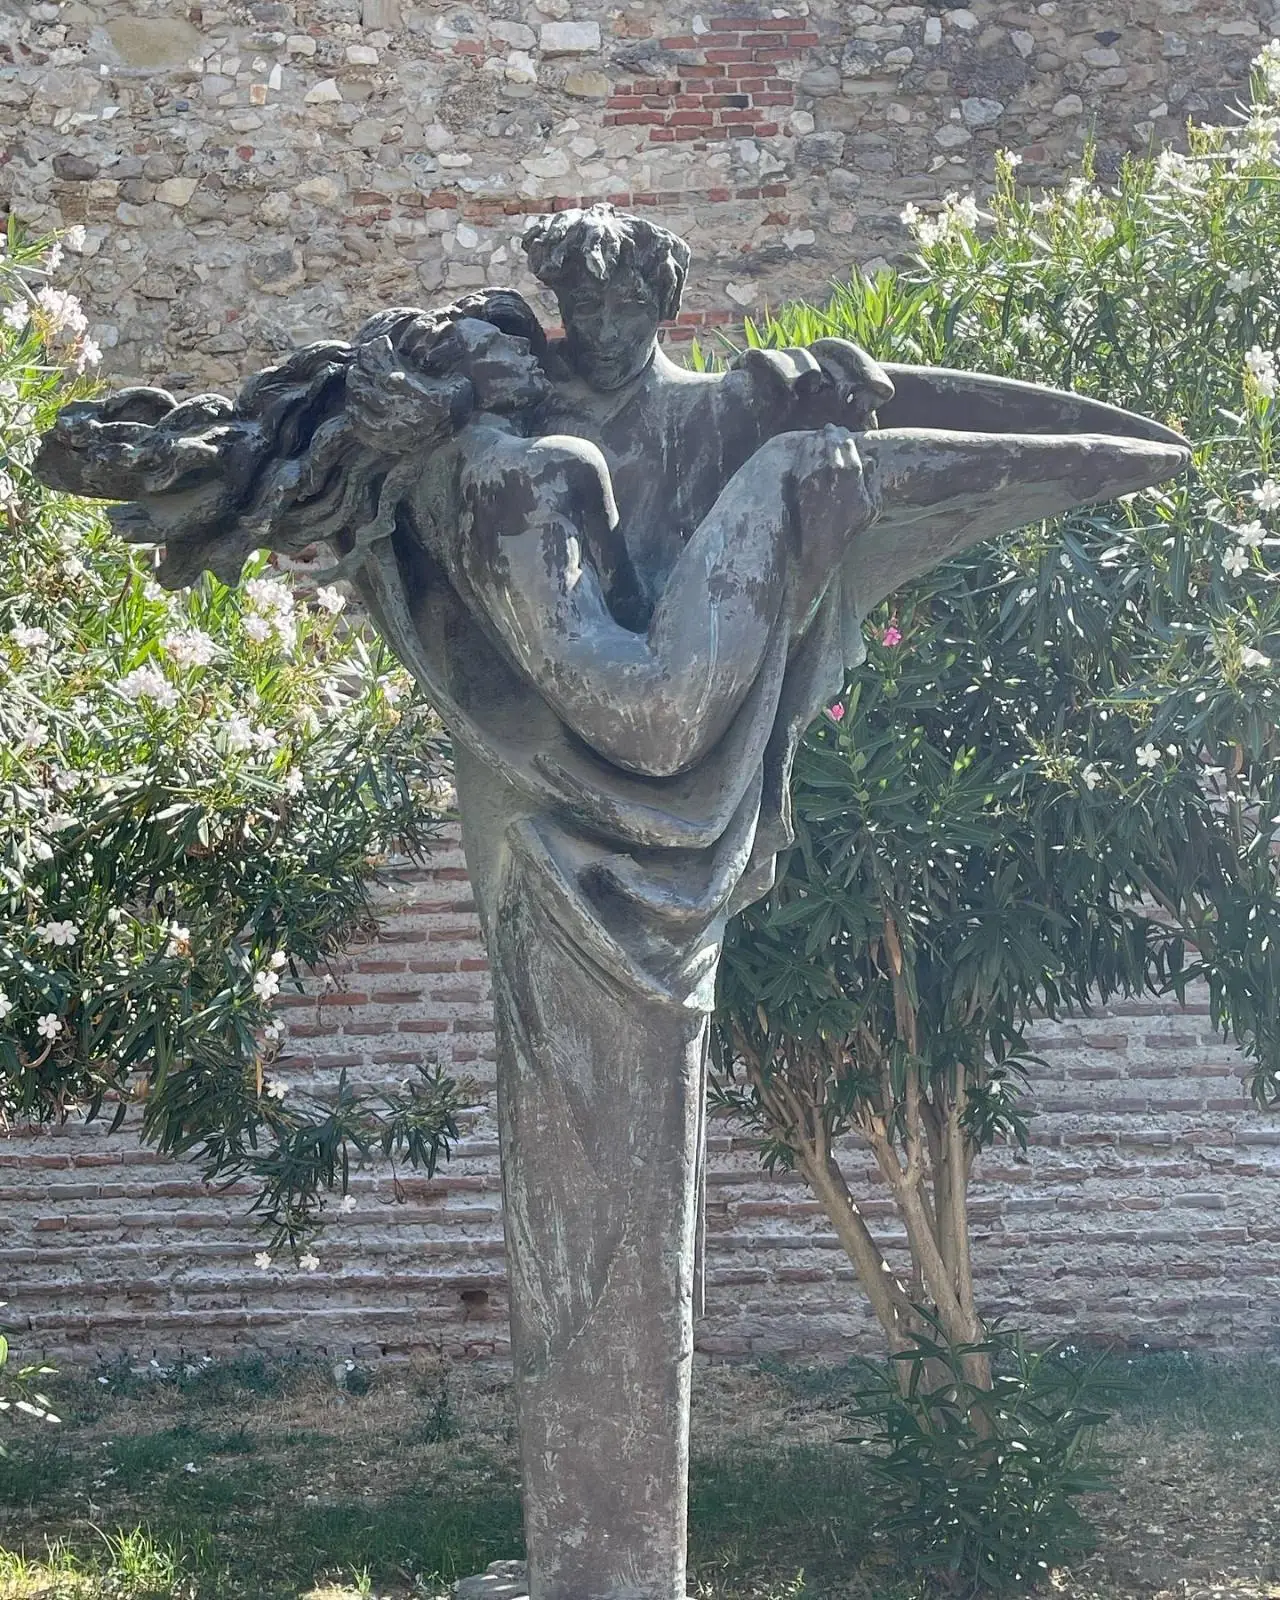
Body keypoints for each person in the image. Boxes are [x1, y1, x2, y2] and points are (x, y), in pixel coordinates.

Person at [35, 270, 1189, 1600]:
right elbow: (645, 717)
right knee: (598, 1198)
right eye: (497, 337)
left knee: (614, 1198)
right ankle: (603, 1570)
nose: (529, 342)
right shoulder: (503, 477)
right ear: (455, 380)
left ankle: (611, 1568)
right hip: (581, 856)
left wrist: (775, 436)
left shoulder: (514, 465)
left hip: (596, 868)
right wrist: (791, 492)